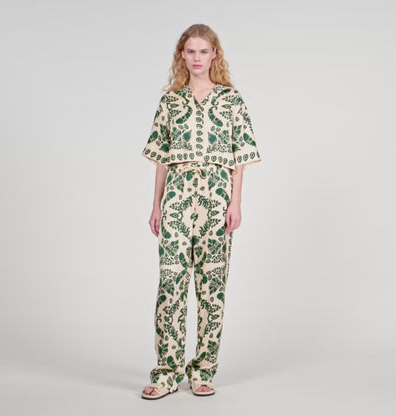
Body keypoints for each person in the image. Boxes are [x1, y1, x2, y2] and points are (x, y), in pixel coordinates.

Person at [140, 23, 261, 400]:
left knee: (212, 286)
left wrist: (235, 203)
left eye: (203, 51)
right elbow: (161, 159)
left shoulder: (231, 100)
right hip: (177, 196)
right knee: (171, 283)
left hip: (216, 196)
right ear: (182, 55)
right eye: (190, 51)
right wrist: (157, 204)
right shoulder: (170, 101)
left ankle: (203, 370)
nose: (197, 58)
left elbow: (240, 158)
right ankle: (167, 371)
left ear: (214, 55)